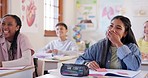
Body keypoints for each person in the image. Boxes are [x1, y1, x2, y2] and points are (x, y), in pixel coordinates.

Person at [75, 15, 141, 71]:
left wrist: (118, 43)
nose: (112, 30)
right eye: (111, 26)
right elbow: (78, 60)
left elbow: (135, 67)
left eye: (118, 28)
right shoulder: (99, 45)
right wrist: (87, 64)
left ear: (125, 33)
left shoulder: (132, 47)